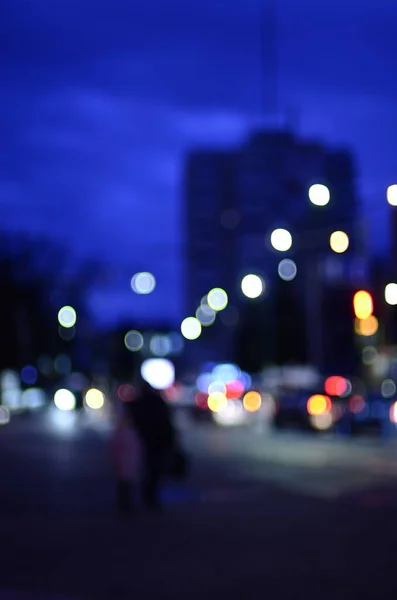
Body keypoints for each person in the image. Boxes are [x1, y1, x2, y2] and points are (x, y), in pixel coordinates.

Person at [125, 380, 177, 510]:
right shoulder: (156, 403)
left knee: (141, 470)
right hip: (154, 442)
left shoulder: (138, 404)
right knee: (152, 471)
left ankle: (142, 497)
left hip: (144, 441)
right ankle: (149, 497)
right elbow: (166, 424)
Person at [109, 413, 142, 515]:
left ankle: (124, 504)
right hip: (128, 465)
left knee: (124, 485)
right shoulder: (132, 434)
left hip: (124, 465)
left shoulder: (120, 435)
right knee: (127, 485)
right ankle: (125, 504)